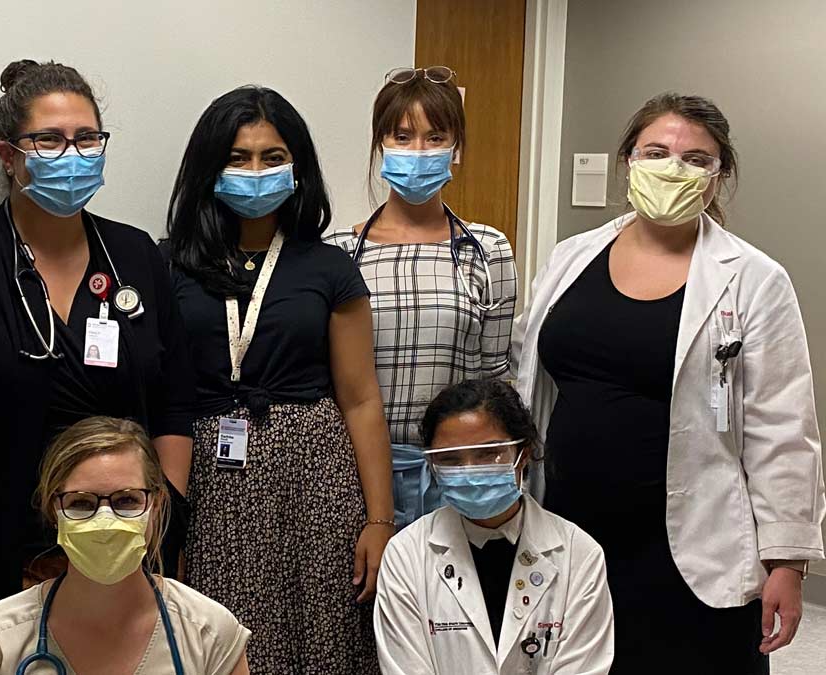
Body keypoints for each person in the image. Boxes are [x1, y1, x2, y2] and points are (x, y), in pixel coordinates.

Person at [513, 93, 825, 674]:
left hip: (694, 540)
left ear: (719, 176)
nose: (673, 168)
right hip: (571, 525)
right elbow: (528, 377)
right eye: (656, 152)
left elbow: (784, 427)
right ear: (628, 161)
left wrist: (788, 561)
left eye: (696, 159)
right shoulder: (570, 257)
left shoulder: (754, 279)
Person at [0, 60, 195, 672]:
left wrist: (163, 512)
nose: (71, 154)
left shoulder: (135, 256)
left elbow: (174, 402)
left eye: (86, 139)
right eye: (48, 140)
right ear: (9, 155)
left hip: (118, 532)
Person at [166, 85, 394, 674]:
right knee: (219, 638)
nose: (255, 171)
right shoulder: (166, 264)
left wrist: (379, 519)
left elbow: (362, 398)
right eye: (238, 158)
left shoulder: (329, 267)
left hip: (317, 475)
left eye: (272, 157)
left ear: (297, 168)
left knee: (325, 638)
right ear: (209, 168)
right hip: (210, 475)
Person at [327, 66, 517, 528]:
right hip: (352, 471)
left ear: (457, 150)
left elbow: (496, 378)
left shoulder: (487, 250)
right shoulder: (338, 253)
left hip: (455, 473)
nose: (419, 151)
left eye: (436, 138)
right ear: (380, 146)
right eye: (403, 136)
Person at [0, 416, 250, 675]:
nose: (105, 520)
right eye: (81, 503)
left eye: (127, 500)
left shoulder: (210, 635)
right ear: (53, 511)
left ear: (156, 506)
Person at [374, 379, 613, 674]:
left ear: (522, 454)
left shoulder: (580, 554)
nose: (470, 471)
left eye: (488, 454)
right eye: (450, 459)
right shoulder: (405, 555)